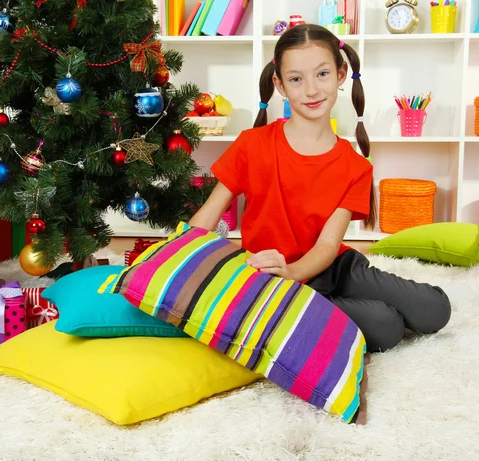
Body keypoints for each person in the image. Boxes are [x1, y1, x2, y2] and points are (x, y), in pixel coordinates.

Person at [188, 24, 451, 353]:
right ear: (279, 85)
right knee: (386, 328)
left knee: (436, 310)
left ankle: (333, 300)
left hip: (333, 267)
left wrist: (294, 272)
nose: (311, 90)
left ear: (341, 75)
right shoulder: (251, 145)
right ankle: (322, 306)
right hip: (273, 280)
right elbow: (207, 216)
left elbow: (328, 245)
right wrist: (174, 262)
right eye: (296, 79)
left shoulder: (356, 166)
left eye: (322, 74)